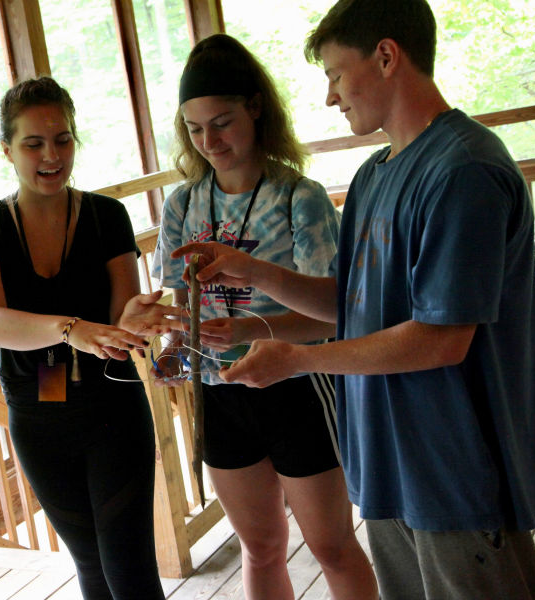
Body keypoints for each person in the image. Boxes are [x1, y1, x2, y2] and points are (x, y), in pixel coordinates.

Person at [173, 2, 535, 599]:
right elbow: (347, 303)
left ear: (385, 56)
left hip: (459, 474)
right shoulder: (377, 173)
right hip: (386, 466)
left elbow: (442, 339)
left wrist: (298, 360)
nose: (330, 97)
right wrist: (252, 271)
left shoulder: (464, 170)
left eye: (334, 73)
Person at [149, 34, 377, 600]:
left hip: (298, 386)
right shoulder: (181, 205)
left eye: (221, 122)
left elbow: (334, 314)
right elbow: (176, 304)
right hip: (220, 390)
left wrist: (252, 328)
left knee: (331, 547)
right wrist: (164, 337)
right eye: (196, 129)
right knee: (261, 548)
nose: (210, 141)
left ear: (255, 108)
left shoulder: (299, 197)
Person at [0, 76, 178, 599]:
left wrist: (138, 317)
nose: (50, 155)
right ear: (7, 150)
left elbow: (122, 318)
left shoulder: (107, 216)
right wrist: (69, 329)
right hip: (38, 411)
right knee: (91, 568)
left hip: (112, 408)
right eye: (33, 143)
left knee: (128, 565)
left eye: (62, 140)